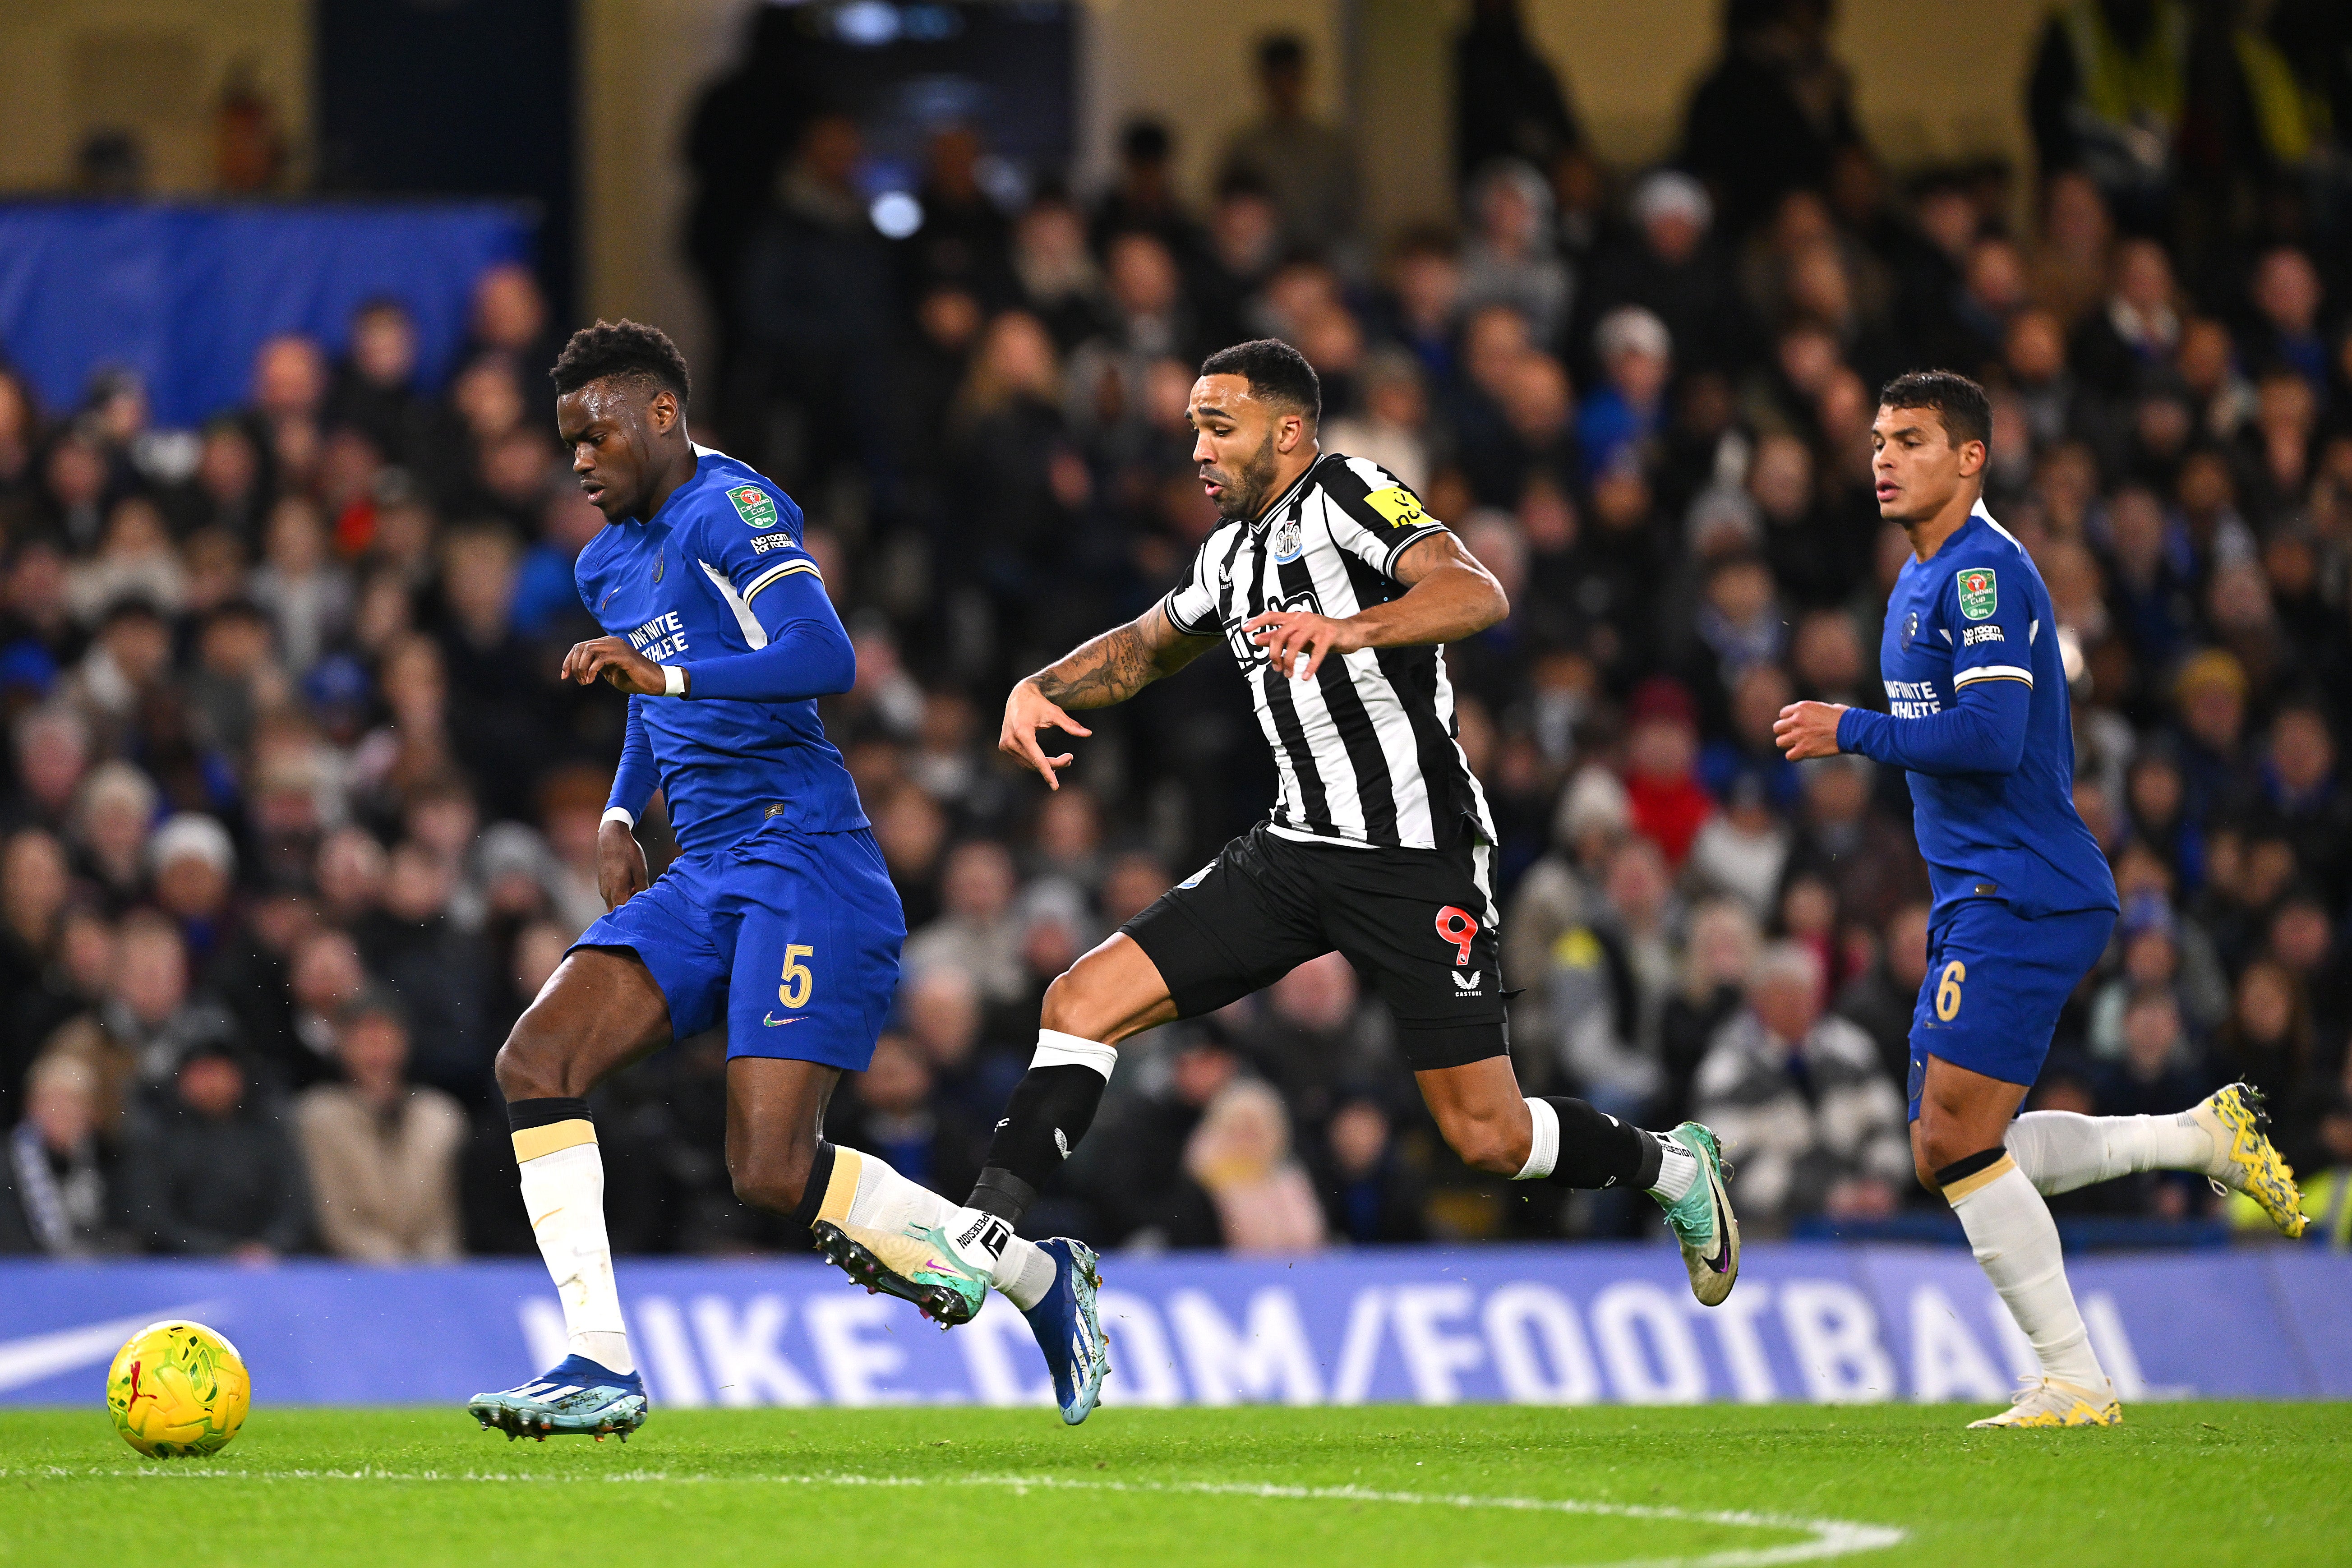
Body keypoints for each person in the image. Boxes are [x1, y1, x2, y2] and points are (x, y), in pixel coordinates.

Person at [913, 339, 1739, 1355]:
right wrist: (1041, 684)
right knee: (1080, 999)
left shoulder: (1350, 490)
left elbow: (1476, 590)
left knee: (1489, 1135)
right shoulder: (1230, 554)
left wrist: (1355, 630)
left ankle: (1672, 1168)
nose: (1200, 451)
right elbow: (1142, 649)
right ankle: (993, 1236)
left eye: (1220, 428)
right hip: (1295, 848)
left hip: (1415, 854)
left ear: (1289, 431)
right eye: (1192, 432)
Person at [465, 321, 1102, 1442]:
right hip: (705, 865)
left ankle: (1035, 1278)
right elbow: (650, 688)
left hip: (804, 857)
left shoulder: (734, 509)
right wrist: (622, 807)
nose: (577, 460)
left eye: (594, 432)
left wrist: (657, 671)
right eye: (566, 439)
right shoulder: (604, 557)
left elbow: (824, 656)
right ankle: (598, 1360)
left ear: (661, 414)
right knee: (536, 1059)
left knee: (768, 1169)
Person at [1773, 369, 2306, 1430]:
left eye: (1912, 439)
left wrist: (1855, 729)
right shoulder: (1918, 577)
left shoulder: (1985, 577)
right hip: (1982, 889)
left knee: (1952, 1142)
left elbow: (1990, 739)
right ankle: (2201, 1139)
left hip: (2025, 886)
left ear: (1972, 457)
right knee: (1962, 1142)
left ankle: (2077, 1378)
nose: (1883, 456)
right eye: (1879, 438)